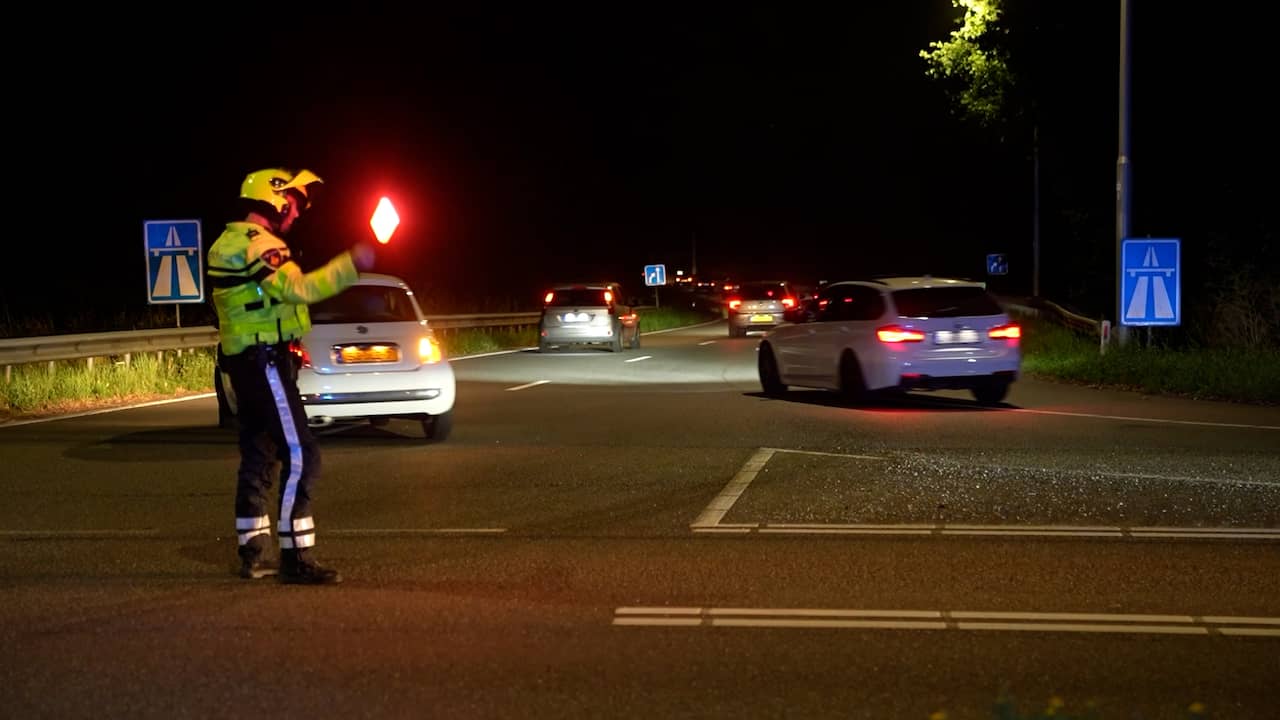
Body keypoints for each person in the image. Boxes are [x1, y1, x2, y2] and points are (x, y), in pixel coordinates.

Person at [207, 167, 375, 584]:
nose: (297, 214)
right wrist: (353, 264)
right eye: (295, 204)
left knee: (259, 453)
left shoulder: (226, 243)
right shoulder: (258, 245)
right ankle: (295, 556)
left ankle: (251, 550)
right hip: (265, 363)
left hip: (244, 363)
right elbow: (299, 289)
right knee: (303, 455)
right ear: (276, 198)